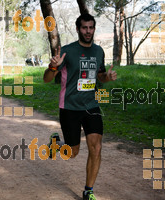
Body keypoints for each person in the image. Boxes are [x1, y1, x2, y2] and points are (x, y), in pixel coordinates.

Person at [43, 13, 117, 200]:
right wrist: (53, 67)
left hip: (91, 105)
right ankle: (57, 144)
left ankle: (88, 191)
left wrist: (106, 78)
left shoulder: (99, 51)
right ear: (77, 29)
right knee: (72, 153)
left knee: (96, 147)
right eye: (84, 27)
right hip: (69, 107)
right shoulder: (67, 51)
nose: (88, 31)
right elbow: (46, 79)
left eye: (91, 27)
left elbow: (100, 75)